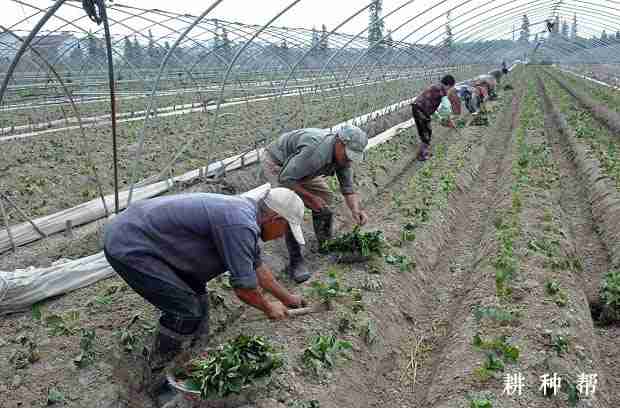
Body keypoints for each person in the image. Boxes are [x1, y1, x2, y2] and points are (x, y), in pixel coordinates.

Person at [103, 187, 307, 382]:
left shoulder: (245, 216)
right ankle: (159, 369)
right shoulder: (240, 225)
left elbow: (259, 270)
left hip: (151, 240)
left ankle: (191, 360)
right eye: (285, 230)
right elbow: (244, 290)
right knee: (186, 311)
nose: (282, 236)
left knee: (200, 310)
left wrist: (288, 299)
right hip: (130, 243)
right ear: (276, 219)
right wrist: (268, 307)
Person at [260, 125, 369, 283]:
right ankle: (296, 262)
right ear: (339, 142)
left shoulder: (343, 158)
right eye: (347, 155)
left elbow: (347, 187)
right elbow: (286, 178)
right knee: (288, 207)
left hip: (301, 168)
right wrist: (309, 197)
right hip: (278, 163)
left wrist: (355, 210)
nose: (349, 159)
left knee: (324, 199)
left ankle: (325, 244)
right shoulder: (316, 151)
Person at [411, 74, 462, 161]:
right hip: (421, 109)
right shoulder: (442, 90)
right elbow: (446, 108)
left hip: (418, 108)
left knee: (426, 131)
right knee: (426, 132)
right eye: (450, 88)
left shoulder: (436, 87)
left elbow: (433, 109)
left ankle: (424, 152)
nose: (449, 90)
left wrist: (441, 119)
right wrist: (448, 119)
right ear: (449, 85)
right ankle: (421, 155)